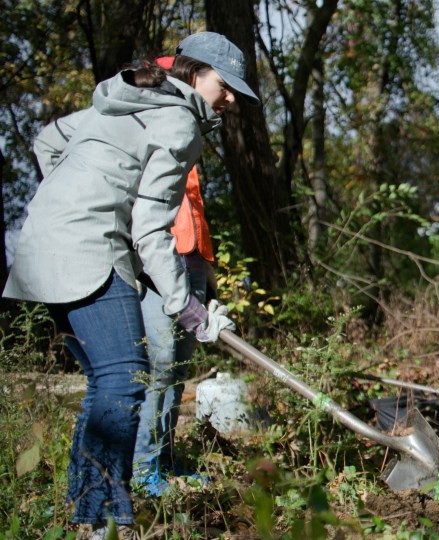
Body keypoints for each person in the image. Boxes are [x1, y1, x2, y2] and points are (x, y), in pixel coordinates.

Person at [4, 31, 255, 537]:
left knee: (110, 380)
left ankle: (88, 515)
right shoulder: (181, 122)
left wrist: (68, 200)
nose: (230, 98)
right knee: (124, 377)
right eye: (225, 85)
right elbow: (149, 227)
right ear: (195, 73)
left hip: (41, 245)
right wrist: (190, 310)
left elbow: (48, 141)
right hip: (87, 248)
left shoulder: (127, 101)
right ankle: (101, 521)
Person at [128, 55, 221, 495]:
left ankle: (164, 459)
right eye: (222, 85)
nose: (227, 100)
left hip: (191, 252)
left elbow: (191, 200)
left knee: (180, 366)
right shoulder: (162, 95)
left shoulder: (194, 125)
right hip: (160, 255)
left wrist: (205, 268)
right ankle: (144, 469)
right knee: (161, 364)